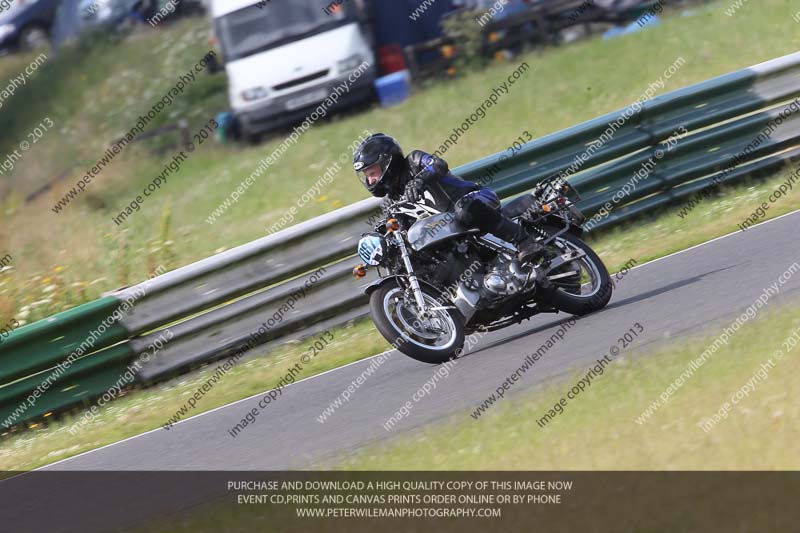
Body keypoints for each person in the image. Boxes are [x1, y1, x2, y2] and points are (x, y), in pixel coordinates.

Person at [353, 133, 542, 261]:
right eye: (367, 176)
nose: (371, 180)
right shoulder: (390, 201)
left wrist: (420, 181)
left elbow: (438, 164)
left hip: (475, 198)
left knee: (464, 210)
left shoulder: (414, 161)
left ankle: (524, 241)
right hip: (452, 232)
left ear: (388, 162)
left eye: (372, 172)